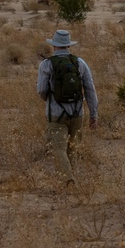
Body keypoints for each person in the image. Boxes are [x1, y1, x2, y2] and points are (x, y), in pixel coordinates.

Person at [36, 29, 99, 184]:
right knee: (73, 148)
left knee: (58, 149)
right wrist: (93, 114)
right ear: (69, 45)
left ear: (54, 46)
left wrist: (49, 99)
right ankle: (71, 178)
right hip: (77, 113)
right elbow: (90, 90)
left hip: (56, 114)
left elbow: (42, 90)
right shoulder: (80, 63)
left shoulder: (46, 64)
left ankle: (68, 181)